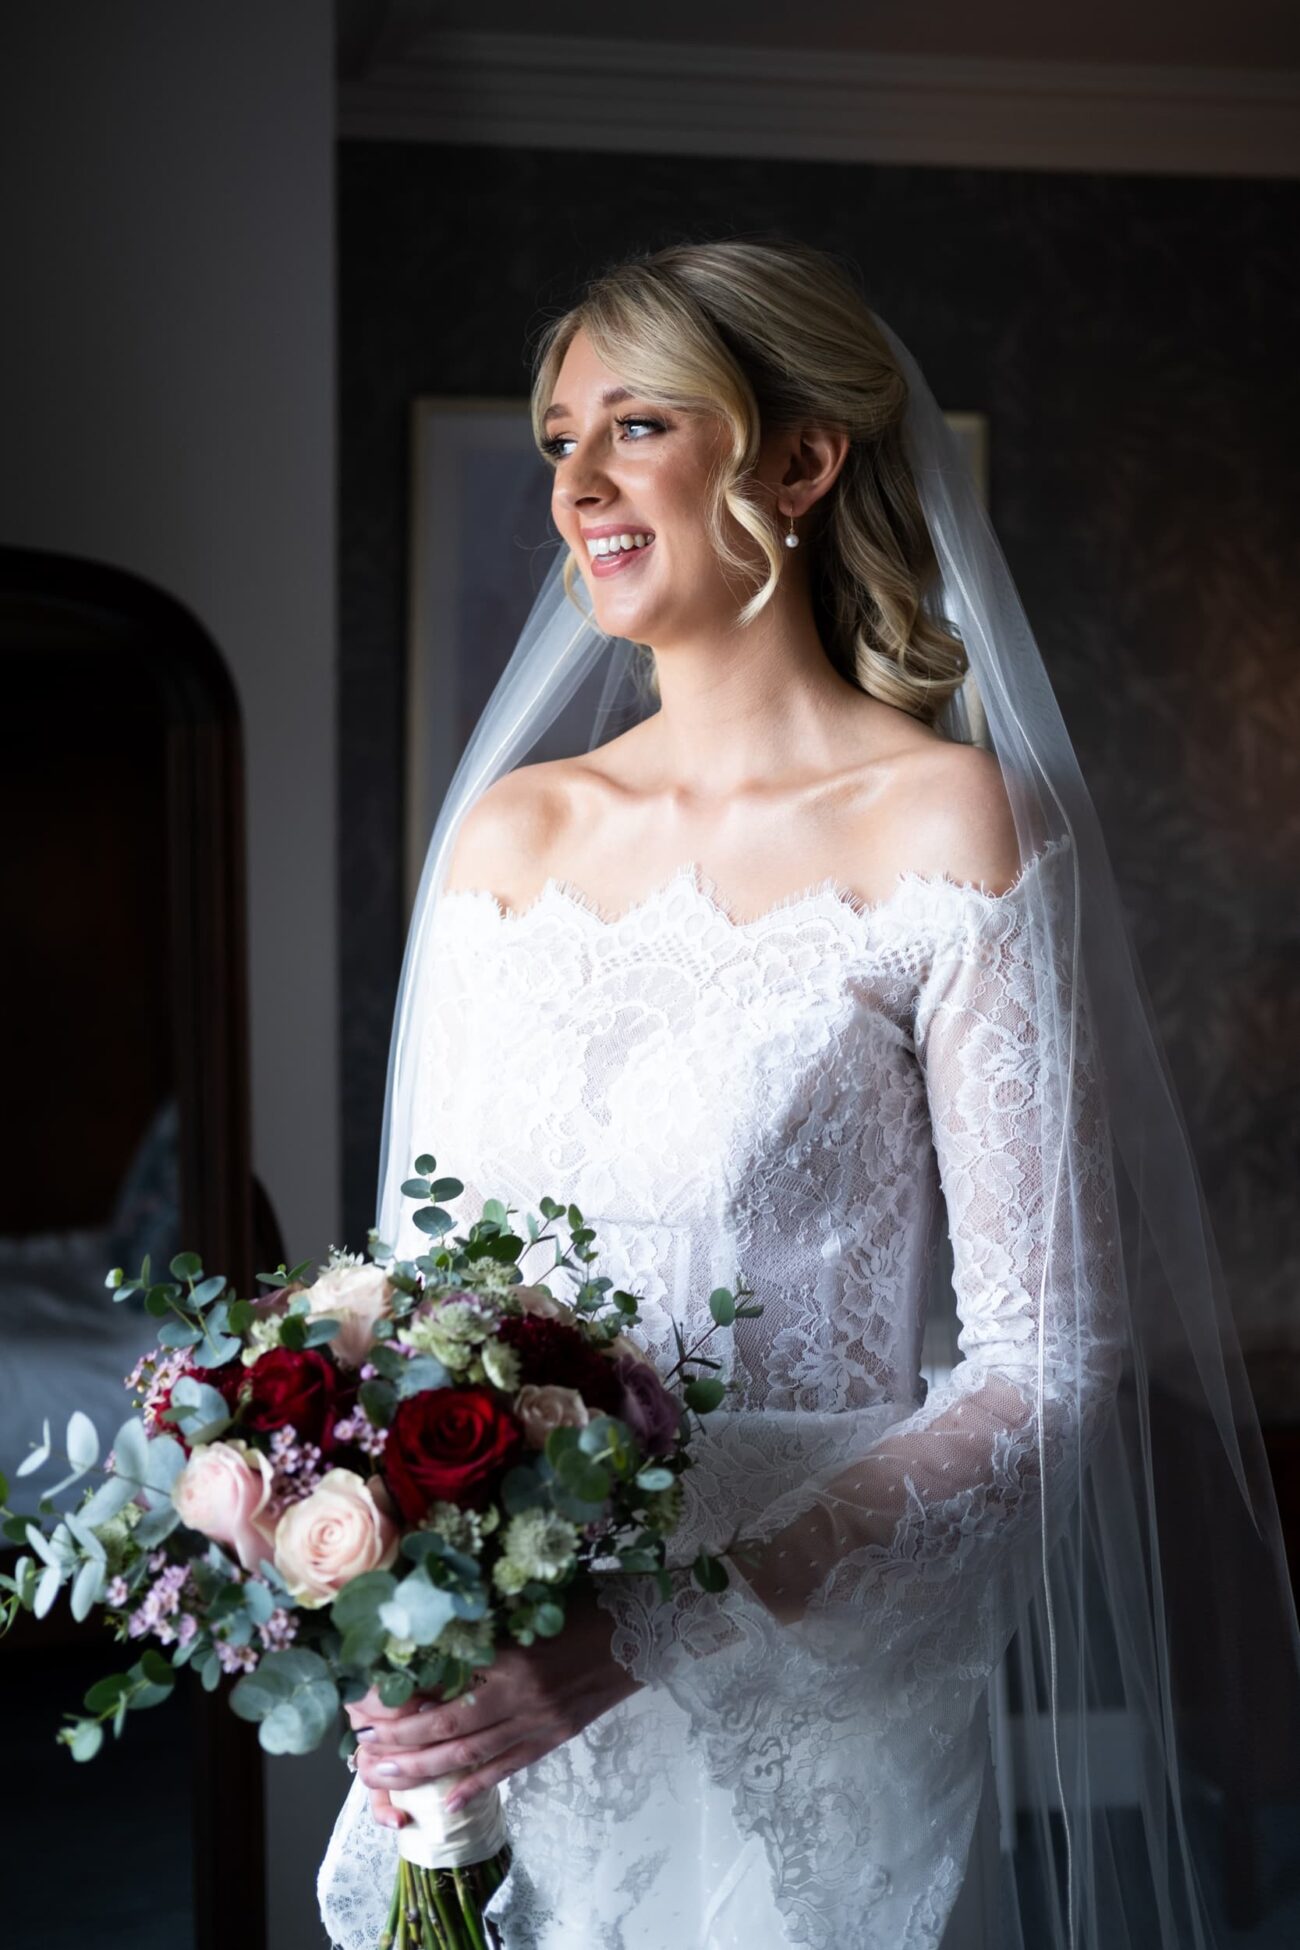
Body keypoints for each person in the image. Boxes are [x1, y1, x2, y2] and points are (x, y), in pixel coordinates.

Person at [318, 239, 1300, 1949]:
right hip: (508, 1681)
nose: (579, 483)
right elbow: (415, 1304)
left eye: (636, 424)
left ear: (796, 456)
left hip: (811, 1681)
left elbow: (1046, 1363)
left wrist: (650, 1634)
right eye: (560, 439)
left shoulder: (951, 831)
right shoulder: (510, 839)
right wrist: (388, 1565)